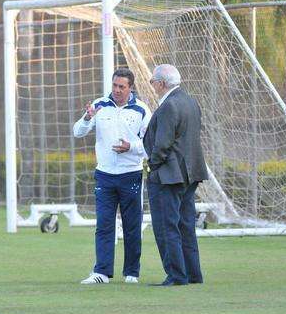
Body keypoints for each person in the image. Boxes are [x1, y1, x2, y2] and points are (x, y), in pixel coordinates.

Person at [73, 68, 152, 284]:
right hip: (105, 175)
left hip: (131, 175)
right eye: (114, 85)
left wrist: (131, 147)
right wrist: (88, 118)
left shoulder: (142, 110)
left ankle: (132, 273)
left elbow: (151, 145)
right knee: (104, 224)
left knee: (132, 226)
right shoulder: (99, 105)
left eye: (121, 87)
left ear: (130, 88)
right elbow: (77, 131)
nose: (117, 90)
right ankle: (101, 272)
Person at [143, 64, 209, 286]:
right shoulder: (190, 101)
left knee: (166, 226)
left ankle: (176, 275)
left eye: (153, 82)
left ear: (161, 83)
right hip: (190, 174)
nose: (152, 86)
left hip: (169, 176)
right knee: (185, 225)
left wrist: (152, 164)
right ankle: (192, 274)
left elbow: (162, 144)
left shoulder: (169, 105)